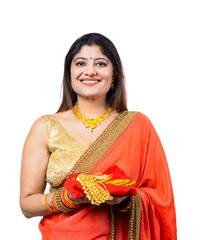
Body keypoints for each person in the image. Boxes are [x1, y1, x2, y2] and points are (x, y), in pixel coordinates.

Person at [19, 33, 177, 240]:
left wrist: (125, 199)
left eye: (101, 63)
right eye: (81, 63)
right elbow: (27, 204)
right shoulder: (45, 127)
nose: (90, 71)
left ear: (115, 74)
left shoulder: (137, 126)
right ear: (69, 73)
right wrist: (68, 198)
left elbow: (161, 199)